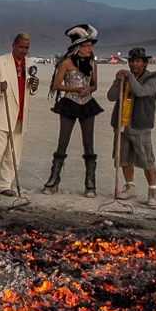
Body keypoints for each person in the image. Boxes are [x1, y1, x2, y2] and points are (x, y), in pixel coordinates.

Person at [43, 24, 104, 198]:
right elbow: (56, 85)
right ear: (78, 47)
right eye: (86, 46)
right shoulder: (67, 63)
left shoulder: (92, 63)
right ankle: (54, 178)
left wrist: (89, 90)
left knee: (88, 142)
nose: (89, 49)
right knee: (63, 141)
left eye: (91, 46)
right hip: (70, 102)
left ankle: (90, 182)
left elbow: (94, 85)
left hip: (88, 103)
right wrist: (75, 90)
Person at [0, 33, 39, 200]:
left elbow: (30, 88)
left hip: (21, 115)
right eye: (21, 47)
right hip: (2, 114)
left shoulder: (31, 64)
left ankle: (5, 184)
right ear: (13, 45)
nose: (24, 51)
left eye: (26, 48)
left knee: (13, 153)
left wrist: (34, 86)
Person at [107, 47, 156, 207]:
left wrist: (129, 77)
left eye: (137, 61)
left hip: (140, 125)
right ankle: (129, 187)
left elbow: (141, 92)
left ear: (144, 63)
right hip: (121, 124)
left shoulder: (152, 78)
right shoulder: (124, 79)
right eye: (131, 61)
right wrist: (118, 82)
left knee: (147, 159)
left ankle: (153, 191)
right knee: (123, 158)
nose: (134, 64)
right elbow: (110, 97)